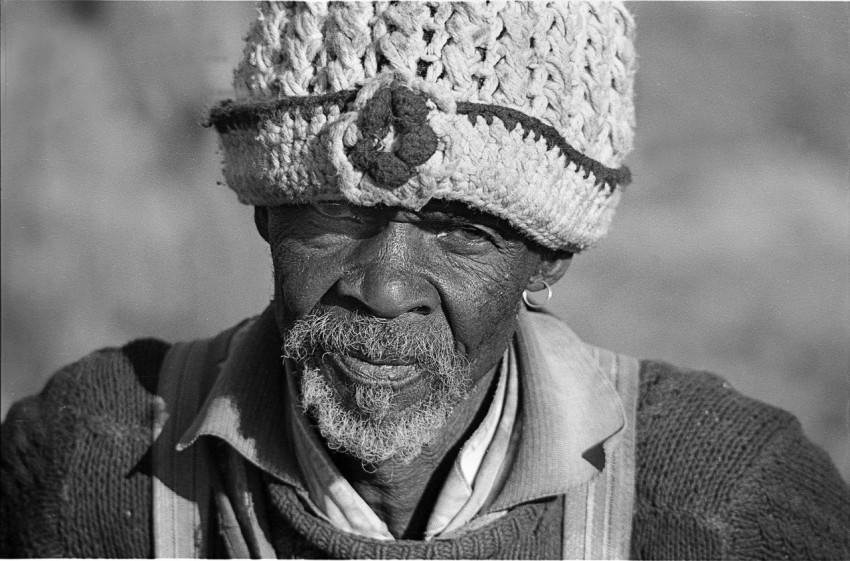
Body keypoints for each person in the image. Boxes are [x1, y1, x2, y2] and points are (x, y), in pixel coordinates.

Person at [1, 1, 848, 558]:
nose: (385, 286)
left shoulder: (725, 511)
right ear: (266, 208)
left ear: (548, 253)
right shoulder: (92, 471)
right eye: (338, 212)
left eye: (458, 230)